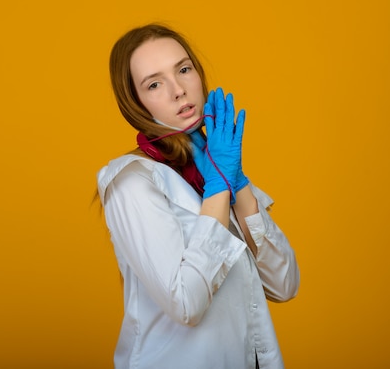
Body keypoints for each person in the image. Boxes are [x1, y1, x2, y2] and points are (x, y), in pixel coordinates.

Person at [96, 23, 300, 369]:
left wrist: (237, 184)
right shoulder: (130, 182)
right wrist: (219, 186)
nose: (179, 90)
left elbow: (284, 283)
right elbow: (186, 304)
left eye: (184, 69)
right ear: (135, 103)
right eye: (155, 84)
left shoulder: (211, 164)